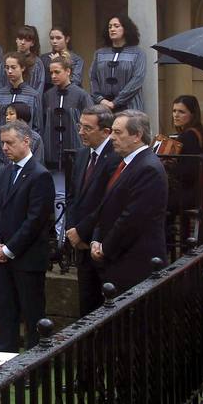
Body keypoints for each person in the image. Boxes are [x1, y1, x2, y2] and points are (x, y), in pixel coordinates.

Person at [78, 110, 168, 294]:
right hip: (117, 260)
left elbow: (132, 218)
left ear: (137, 135)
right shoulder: (125, 163)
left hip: (136, 263)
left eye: (118, 133)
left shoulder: (148, 168)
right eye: (111, 131)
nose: (111, 137)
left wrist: (105, 247)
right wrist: (96, 238)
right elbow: (105, 206)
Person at [0, 119, 55, 352]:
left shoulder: (40, 175)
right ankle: (4, 361)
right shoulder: (5, 172)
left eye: (9, 143)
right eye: (2, 143)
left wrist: (9, 249)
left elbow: (35, 220)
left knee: (33, 314)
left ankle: (35, 367)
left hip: (27, 260)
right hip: (4, 258)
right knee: (6, 313)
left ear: (26, 142)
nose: (5, 148)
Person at [64, 105, 119, 316]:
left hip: (100, 244)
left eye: (87, 128)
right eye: (80, 126)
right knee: (86, 305)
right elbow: (72, 197)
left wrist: (83, 232)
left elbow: (106, 202)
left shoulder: (114, 158)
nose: (80, 132)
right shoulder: (81, 155)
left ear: (105, 131)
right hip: (80, 244)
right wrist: (72, 229)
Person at [42, 55, 93, 239]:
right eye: (51, 73)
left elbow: (90, 120)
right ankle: (60, 237)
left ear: (68, 72)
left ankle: (76, 233)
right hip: (53, 153)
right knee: (58, 196)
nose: (53, 76)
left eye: (57, 72)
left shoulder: (81, 95)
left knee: (77, 193)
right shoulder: (48, 96)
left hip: (75, 151)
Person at [156, 95, 203, 223]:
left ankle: (164, 241)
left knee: (152, 202)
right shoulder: (201, 132)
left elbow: (190, 171)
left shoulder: (188, 136)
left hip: (190, 195)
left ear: (192, 115)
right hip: (199, 193)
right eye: (174, 111)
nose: (176, 115)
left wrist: (168, 165)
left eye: (181, 112)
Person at [89, 15, 146, 112]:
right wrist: (100, 99)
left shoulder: (138, 53)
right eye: (110, 27)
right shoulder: (100, 53)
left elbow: (137, 79)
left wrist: (116, 102)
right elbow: (93, 78)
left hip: (130, 107)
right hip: (103, 108)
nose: (112, 29)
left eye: (116, 26)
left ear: (126, 29)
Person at [0, 52, 43, 134]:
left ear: (22, 68)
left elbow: (37, 126)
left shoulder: (33, 95)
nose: (9, 71)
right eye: (7, 68)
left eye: (13, 67)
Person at [0, 26, 46, 91]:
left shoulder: (37, 62)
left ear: (32, 43)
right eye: (20, 39)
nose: (22, 42)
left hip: (29, 98)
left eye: (27, 40)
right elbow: (0, 81)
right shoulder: (7, 60)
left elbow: (39, 85)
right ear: (16, 40)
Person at [42, 25, 84, 92]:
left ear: (67, 39)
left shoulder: (76, 59)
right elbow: (43, 82)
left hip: (70, 95)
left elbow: (75, 81)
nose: (54, 41)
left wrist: (58, 62)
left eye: (58, 38)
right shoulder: (44, 58)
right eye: (52, 38)